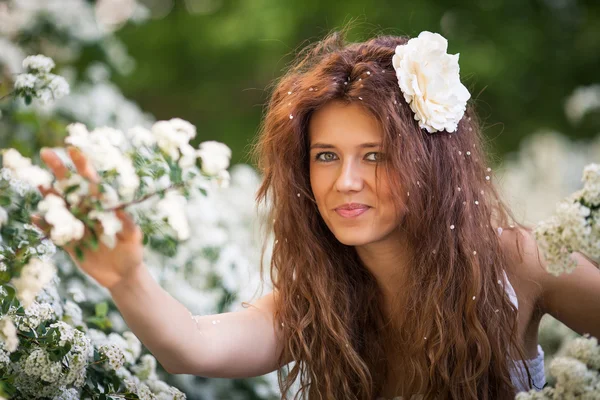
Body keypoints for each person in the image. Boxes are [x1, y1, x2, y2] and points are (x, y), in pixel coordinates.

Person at [36, 28, 600, 400]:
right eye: (325, 156)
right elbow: (189, 346)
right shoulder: (316, 298)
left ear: (432, 163)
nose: (344, 181)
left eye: (375, 156)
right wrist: (127, 277)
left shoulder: (517, 261)